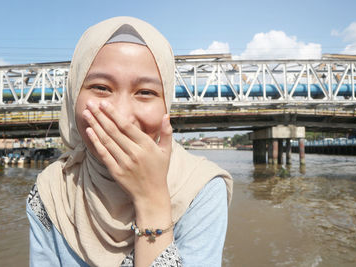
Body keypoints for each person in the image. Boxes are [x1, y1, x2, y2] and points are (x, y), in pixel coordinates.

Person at [26, 16, 233, 267]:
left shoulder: (201, 189)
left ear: (166, 103)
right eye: (101, 87)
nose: (121, 116)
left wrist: (151, 200)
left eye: (145, 92)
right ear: (73, 97)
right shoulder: (51, 190)